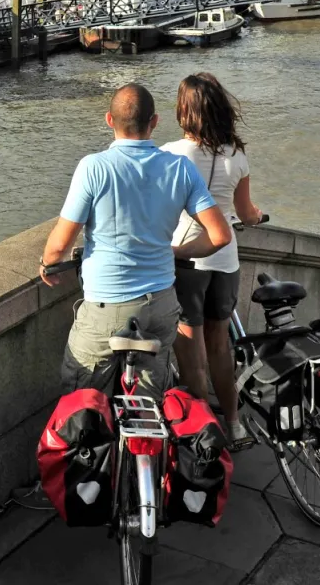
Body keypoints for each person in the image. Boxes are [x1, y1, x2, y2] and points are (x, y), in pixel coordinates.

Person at [41, 82, 232, 397]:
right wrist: (176, 251)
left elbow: (59, 246)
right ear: (154, 122)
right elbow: (220, 235)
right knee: (149, 404)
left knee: (83, 402)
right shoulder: (179, 168)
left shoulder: (93, 167)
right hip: (159, 305)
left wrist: (47, 263)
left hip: (106, 306)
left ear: (108, 120)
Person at [161, 73, 262, 446]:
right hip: (226, 259)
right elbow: (246, 212)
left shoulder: (172, 153)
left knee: (190, 347)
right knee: (220, 344)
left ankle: (202, 431)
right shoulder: (237, 155)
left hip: (188, 259)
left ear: (184, 111)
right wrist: (255, 216)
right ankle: (234, 424)